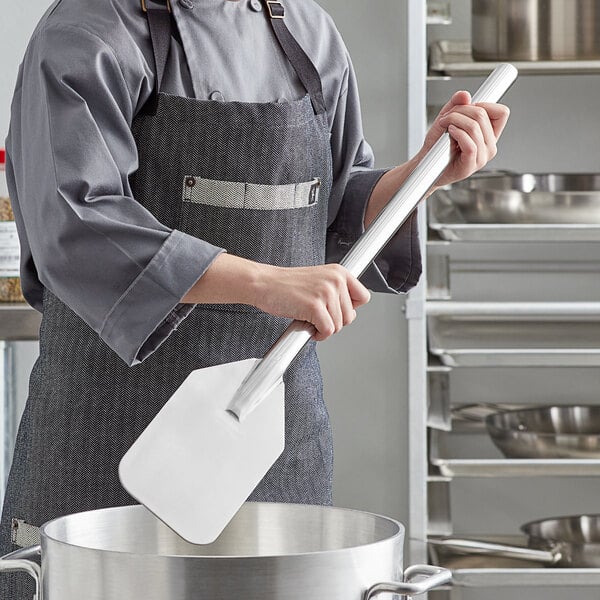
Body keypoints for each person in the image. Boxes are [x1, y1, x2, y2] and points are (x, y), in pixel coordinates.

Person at [1, 0, 509, 595]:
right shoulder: (86, 33)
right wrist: (267, 283)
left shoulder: (306, 31)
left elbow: (339, 207)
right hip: (106, 457)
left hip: (276, 453)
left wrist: (425, 172)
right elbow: (79, 226)